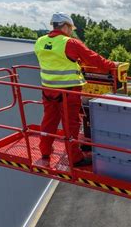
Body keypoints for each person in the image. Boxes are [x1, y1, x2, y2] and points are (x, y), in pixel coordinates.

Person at [34, 12, 117, 167]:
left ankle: (45, 150)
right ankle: (75, 158)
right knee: (71, 126)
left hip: (48, 91)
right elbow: (94, 59)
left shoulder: (39, 41)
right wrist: (113, 66)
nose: (71, 31)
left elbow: (56, 61)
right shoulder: (70, 43)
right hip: (68, 92)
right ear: (65, 26)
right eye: (70, 28)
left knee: (48, 122)